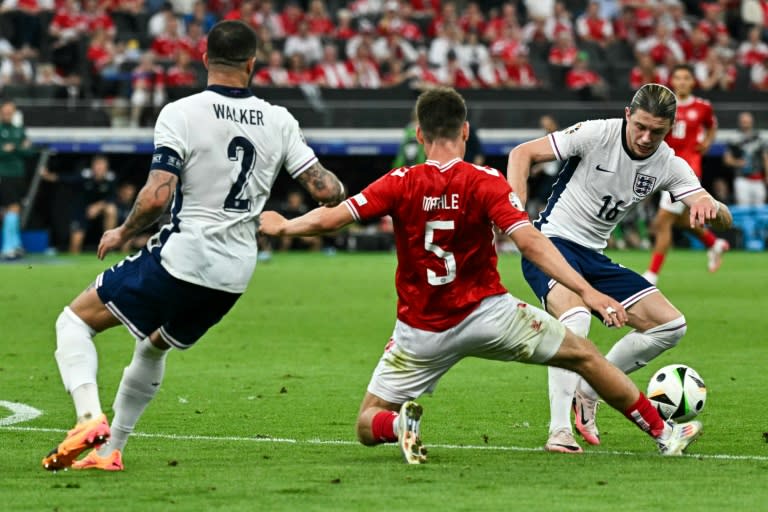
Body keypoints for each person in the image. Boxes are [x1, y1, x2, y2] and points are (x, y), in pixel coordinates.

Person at [259, 86, 704, 465]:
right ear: (465, 131)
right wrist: (587, 292)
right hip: (489, 315)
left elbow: (333, 218)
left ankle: (397, 424)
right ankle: (665, 434)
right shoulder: (485, 181)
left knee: (364, 422)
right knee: (585, 355)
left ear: (419, 135)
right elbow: (530, 242)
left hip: (420, 331)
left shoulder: (397, 182)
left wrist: (284, 226)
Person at [41, 20, 345, 472]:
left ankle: (88, 419)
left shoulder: (181, 112)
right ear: (252, 64)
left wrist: (123, 232)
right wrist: (290, 222)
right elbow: (327, 190)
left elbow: (159, 193)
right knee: (153, 346)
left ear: (205, 60)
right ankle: (110, 450)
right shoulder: (280, 121)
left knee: (73, 323)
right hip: (234, 273)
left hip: (185, 255)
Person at [506, 83, 732, 454]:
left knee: (671, 325)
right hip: (552, 244)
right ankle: (559, 431)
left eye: (656, 131)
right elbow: (522, 153)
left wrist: (711, 205)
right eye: (640, 126)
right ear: (628, 114)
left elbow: (719, 216)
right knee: (575, 317)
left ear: (670, 128)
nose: (645, 137)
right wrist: (516, 213)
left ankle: (590, 390)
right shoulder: (597, 132)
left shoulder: (671, 165)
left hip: (594, 256)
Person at [643, 64, 729, 285]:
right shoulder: (663, 105)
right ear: (672, 81)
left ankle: (651, 275)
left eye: (686, 78)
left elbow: (711, 126)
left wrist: (707, 143)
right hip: (663, 165)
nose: (682, 82)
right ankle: (714, 243)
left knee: (662, 221)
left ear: (692, 82)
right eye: (678, 77)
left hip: (685, 171)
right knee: (681, 219)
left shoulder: (702, 107)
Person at [42, 155, 119, 254]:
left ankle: (110, 246)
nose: (99, 168)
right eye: (97, 165)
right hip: (81, 212)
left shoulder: (111, 179)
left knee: (111, 209)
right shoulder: (85, 176)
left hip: (100, 212)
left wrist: (98, 206)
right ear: (92, 166)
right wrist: (48, 175)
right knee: (75, 247)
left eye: (102, 166)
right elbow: (66, 178)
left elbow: (113, 198)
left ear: (106, 167)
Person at [0, 101, 33, 260]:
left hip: (18, 175)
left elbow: (30, 152)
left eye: (10, 111)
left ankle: (14, 244)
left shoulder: (19, 130)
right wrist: (18, 148)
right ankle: (7, 247)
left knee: (13, 210)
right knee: (12, 208)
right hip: (4, 175)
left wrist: (13, 148)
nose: (7, 113)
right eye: (4, 111)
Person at [723, 111, 768, 206]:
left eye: (747, 121)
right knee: (743, 207)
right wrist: (737, 162)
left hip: (758, 179)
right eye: (743, 121)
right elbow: (727, 159)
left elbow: (765, 158)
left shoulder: (760, 137)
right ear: (739, 122)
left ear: (752, 122)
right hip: (742, 179)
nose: (745, 123)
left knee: (760, 207)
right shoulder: (733, 138)